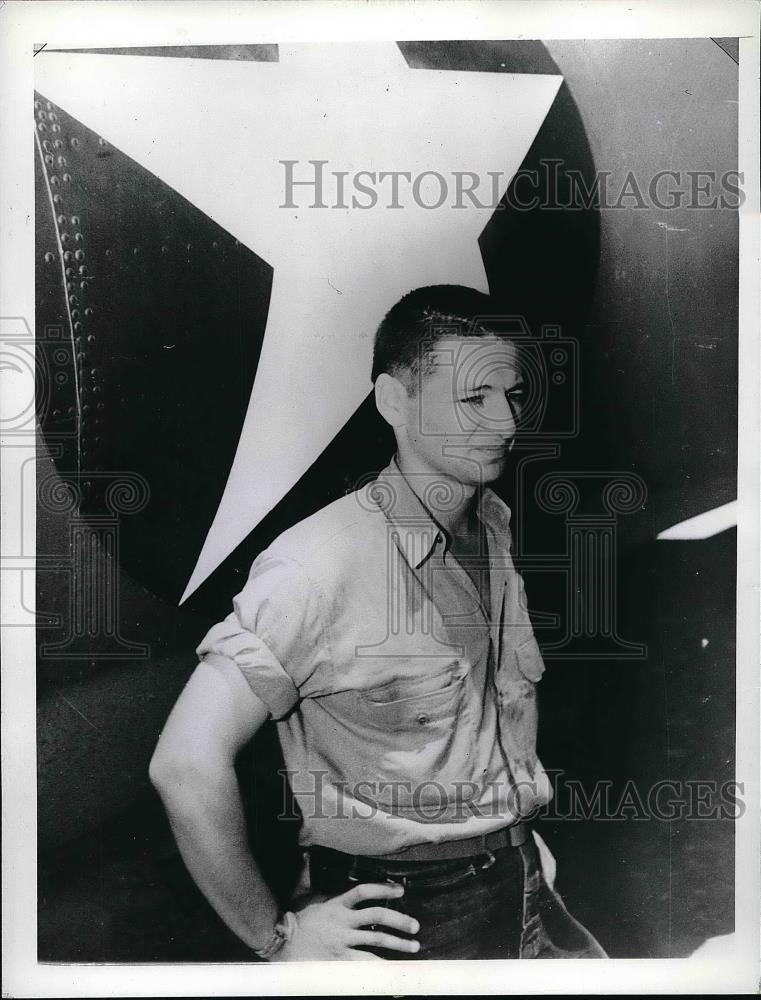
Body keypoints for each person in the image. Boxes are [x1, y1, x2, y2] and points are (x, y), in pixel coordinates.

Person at [149, 284, 607, 961]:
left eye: (510, 396)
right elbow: (184, 763)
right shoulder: (318, 565)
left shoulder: (489, 523)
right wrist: (277, 939)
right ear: (394, 402)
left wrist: (508, 831)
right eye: (472, 399)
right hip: (406, 918)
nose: (505, 424)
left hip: (520, 887)